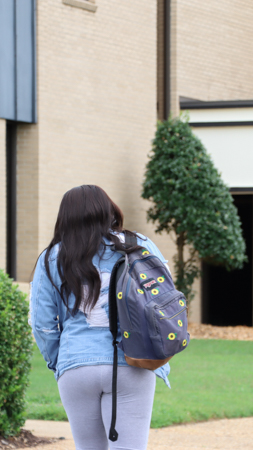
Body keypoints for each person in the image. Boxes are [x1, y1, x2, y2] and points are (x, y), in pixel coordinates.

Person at [30, 185, 170, 450]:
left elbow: (42, 324)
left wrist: (60, 362)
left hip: (76, 366)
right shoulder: (138, 244)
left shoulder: (51, 257)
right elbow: (165, 300)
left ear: (65, 217)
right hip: (133, 361)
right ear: (109, 210)